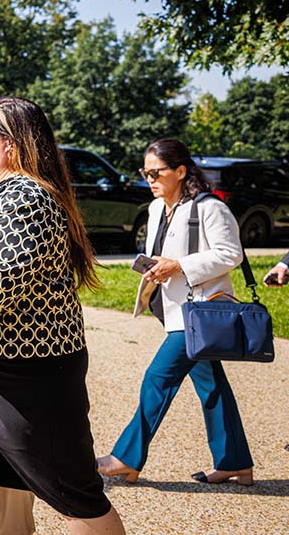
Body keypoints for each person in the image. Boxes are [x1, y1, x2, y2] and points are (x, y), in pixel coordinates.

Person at [0, 97, 126, 535]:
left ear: (13, 144)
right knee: (0, 489)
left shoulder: (27, 198)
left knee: (77, 498)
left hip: (29, 377)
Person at [97, 138, 253, 486]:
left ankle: (126, 456)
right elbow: (163, 255)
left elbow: (231, 254)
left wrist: (179, 265)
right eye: (145, 172)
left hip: (199, 314)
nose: (150, 178)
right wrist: (155, 269)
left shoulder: (209, 208)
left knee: (157, 378)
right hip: (176, 311)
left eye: (157, 172)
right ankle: (236, 462)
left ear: (181, 171)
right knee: (212, 386)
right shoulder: (156, 209)